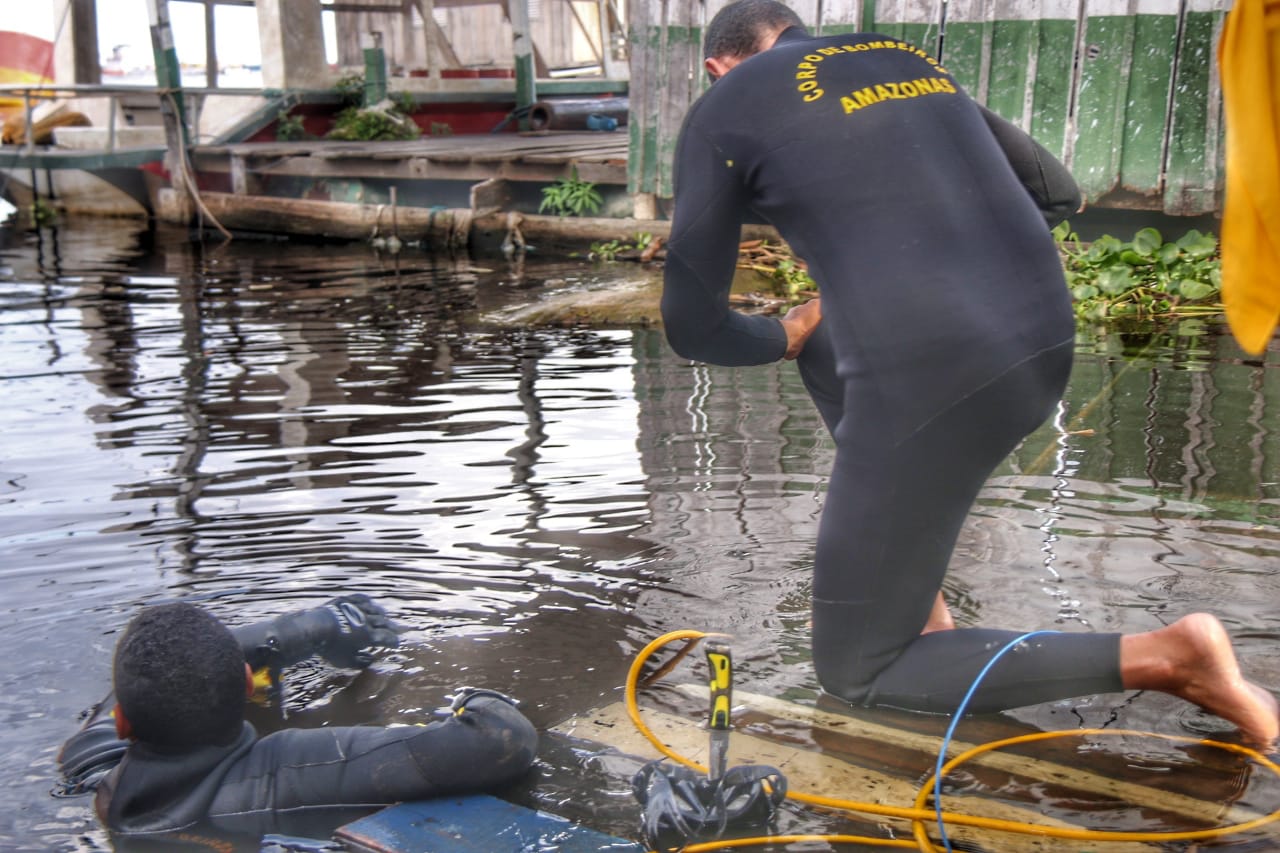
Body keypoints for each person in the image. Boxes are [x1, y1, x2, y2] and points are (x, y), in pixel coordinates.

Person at [661, 0, 1278, 745]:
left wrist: (784, 330)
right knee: (834, 342)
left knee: (860, 670)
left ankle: (1173, 658)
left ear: (718, 67)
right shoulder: (900, 60)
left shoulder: (724, 108)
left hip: (930, 372)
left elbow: (693, 326)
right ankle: (919, 605)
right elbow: (1057, 193)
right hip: (1042, 340)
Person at [58, 595, 538, 846]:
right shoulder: (285, 772)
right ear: (249, 685)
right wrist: (472, 699)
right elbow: (498, 740)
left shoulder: (91, 769)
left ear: (123, 725)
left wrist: (288, 636)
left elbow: (119, 697)